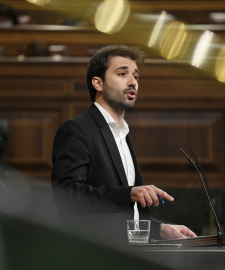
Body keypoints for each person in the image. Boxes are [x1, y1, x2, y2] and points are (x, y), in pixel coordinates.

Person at [51, 45, 196, 243]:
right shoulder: (77, 130)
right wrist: (129, 193)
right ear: (98, 83)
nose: (132, 82)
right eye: (122, 74)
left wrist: (159, 230)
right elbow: (67, 196)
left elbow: (122, 216)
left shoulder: (122, 134)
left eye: (136, 76)